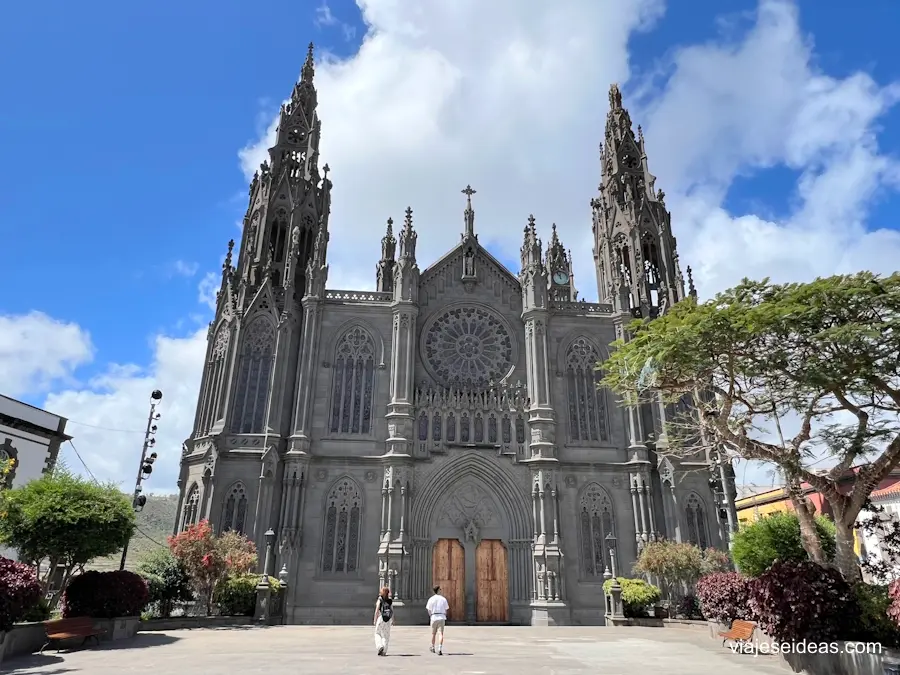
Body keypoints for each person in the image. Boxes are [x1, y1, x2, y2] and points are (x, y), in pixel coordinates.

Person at [425, 585, 449, 655]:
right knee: (440, 633)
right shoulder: (443, 599)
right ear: (438, 590)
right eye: (440, 589)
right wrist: (444, 615)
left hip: (434, 617)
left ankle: (432, 647)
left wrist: (431, 615)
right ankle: (440, 648)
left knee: (433, 634)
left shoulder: (431, 599)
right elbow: (446, 609)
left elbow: (429, 610)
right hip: (441, 617)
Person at [374, 586, 394, 656]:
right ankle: (384, 651)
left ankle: (379, 646)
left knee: (377, 633)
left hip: (381, 618)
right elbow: (392, 611)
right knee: (386, 636)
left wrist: (375, 619)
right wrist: (393, 620)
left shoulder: (380, 599)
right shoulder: (390, 600)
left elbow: (377, 610)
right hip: (388, 620)